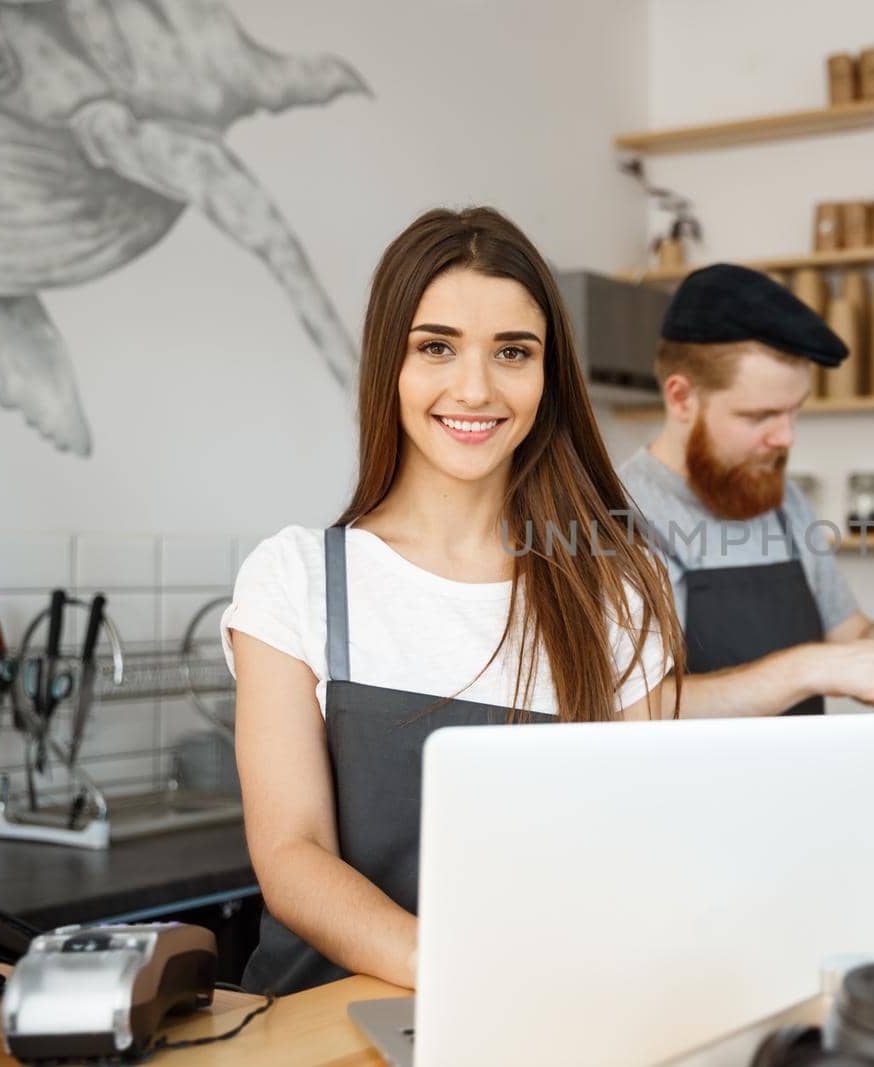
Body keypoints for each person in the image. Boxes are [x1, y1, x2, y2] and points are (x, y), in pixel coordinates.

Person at [223, 208, 684, 994]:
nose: (475, 388)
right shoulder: (296, 577)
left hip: (540, 1013)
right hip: (323, 1029)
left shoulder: (614, 588)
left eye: (513, 352)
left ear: (548, 376)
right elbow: (292, 855)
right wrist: (460, 972)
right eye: (436, 346)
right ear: (388, 367)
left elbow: (638, 838)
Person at [620, 263, 874, 719]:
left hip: (801, 787)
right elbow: (642, 709)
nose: (786, 437)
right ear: (681, 398)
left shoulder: (780, 503)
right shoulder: (618, 512)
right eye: (760, 416)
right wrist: (804, 669)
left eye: (793, 411)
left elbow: (858, 650)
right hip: (688, 791)